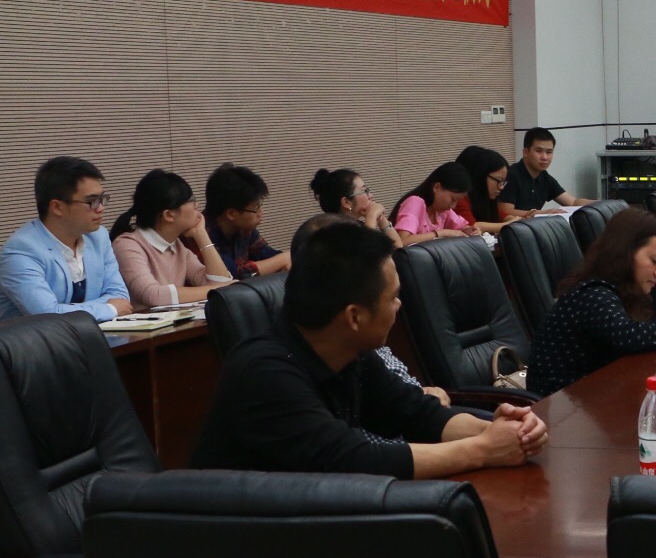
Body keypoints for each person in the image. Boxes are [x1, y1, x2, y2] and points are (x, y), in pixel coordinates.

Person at [190, 223, 548, 478]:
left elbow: (417, 413)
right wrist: (483, 450)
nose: (399, 306)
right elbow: (352, 460)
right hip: (242, 544)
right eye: (393, 297)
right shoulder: (264, 373)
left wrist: (502, 431)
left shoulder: (350, 351)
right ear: (354, 317)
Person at [527, 208, 656, 395]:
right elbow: (628, 337)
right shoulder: (593, 293)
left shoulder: (619, 292)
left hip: (589, 396)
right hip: (558, 404)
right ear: (625, 253)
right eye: (654, 260)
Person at [291, 212, 448, 406]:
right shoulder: (283, 376)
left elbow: (411, 405)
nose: (398, 304)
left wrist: (425, 400)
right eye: (392, 297)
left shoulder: (360, 349)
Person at [0, 156, 133, 322]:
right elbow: (48, 314)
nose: (100, 208)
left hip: (96, 335)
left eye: (102, 199)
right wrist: (109, 309)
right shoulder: (21, 252)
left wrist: (109, 307)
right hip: (40, 339)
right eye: (92, 201)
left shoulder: (98, 237)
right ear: (57, 207)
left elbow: (120, 296)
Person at [108, 170, 232, 309]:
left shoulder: (176, 245)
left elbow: (219, 283)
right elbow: (153, 295)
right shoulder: (127, 245)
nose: (197, 206)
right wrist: (218, 289)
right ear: (169, 215)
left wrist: (201, 234)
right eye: (191, 200)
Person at [205, 163, 291, 279]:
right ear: (231, 214)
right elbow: (230, 275)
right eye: (256, 208)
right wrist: (282, 259)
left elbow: (267, 255)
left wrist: (284, 260)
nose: (260, 213)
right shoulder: (201, 234)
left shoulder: (244, 228)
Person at [499, 127, 594, 212]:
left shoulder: (545, 177)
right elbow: (505, 212)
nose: (544, 157)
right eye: (539, 151)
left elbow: (573, 202)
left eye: (549, 152)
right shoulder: (511, 175)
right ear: (526, 152)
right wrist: (543, 213)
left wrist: (601, 203)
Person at [309, 167, 404, 246]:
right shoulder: (335, 233)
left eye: (368, 190)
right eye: (364, 191)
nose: (371, 195)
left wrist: (381, 220)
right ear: (346, 202)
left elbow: (399, 252)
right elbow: (363, 256)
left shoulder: (357, 225)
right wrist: (371, 217)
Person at [392, 162, 479, 244]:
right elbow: (403, 240)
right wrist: (441, 233)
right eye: (453, 199)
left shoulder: (443, 211)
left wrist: (470, 231)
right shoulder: (415, 203)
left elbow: (462, 227)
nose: (453, 206)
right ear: (437, 187)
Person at [454, 145, 532, 234]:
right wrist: (508, 225)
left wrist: (516, 220)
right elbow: (472, 228)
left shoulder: (485, 198)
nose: (501, 187)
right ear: (481, 176)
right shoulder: (459, 199)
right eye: (498, 181)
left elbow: (500, 215)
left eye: (503, 182)